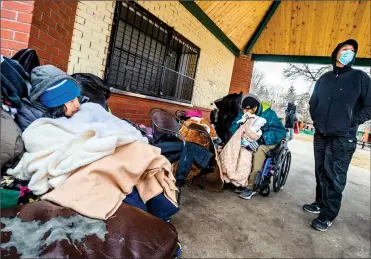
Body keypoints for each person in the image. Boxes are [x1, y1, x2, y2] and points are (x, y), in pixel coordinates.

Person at [305, 39, 371, 231]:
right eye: (345, 49)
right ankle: (319, 202)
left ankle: (327, 214)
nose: (349, 52)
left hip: (343, 137)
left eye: (352, 51)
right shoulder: (324, 78)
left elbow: (369, 107)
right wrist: (317, 121)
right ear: (336, 52)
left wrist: (350, 122)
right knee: (320, 171)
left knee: (334, 175)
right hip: (321, 134)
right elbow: (313, 102)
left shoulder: (360, 78)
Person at [236, 94, 286, 200]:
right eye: (243, 109)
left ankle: (251, 187)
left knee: (258, 151)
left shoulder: (269, 114)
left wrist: (262, 140)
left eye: (247, 110)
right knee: (241, 150)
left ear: (255, 108)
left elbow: (280, 131)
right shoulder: (245, 113)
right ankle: (240, 180)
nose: (245, 112)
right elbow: (235, 125)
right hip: (251, 138)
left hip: (268, 140)